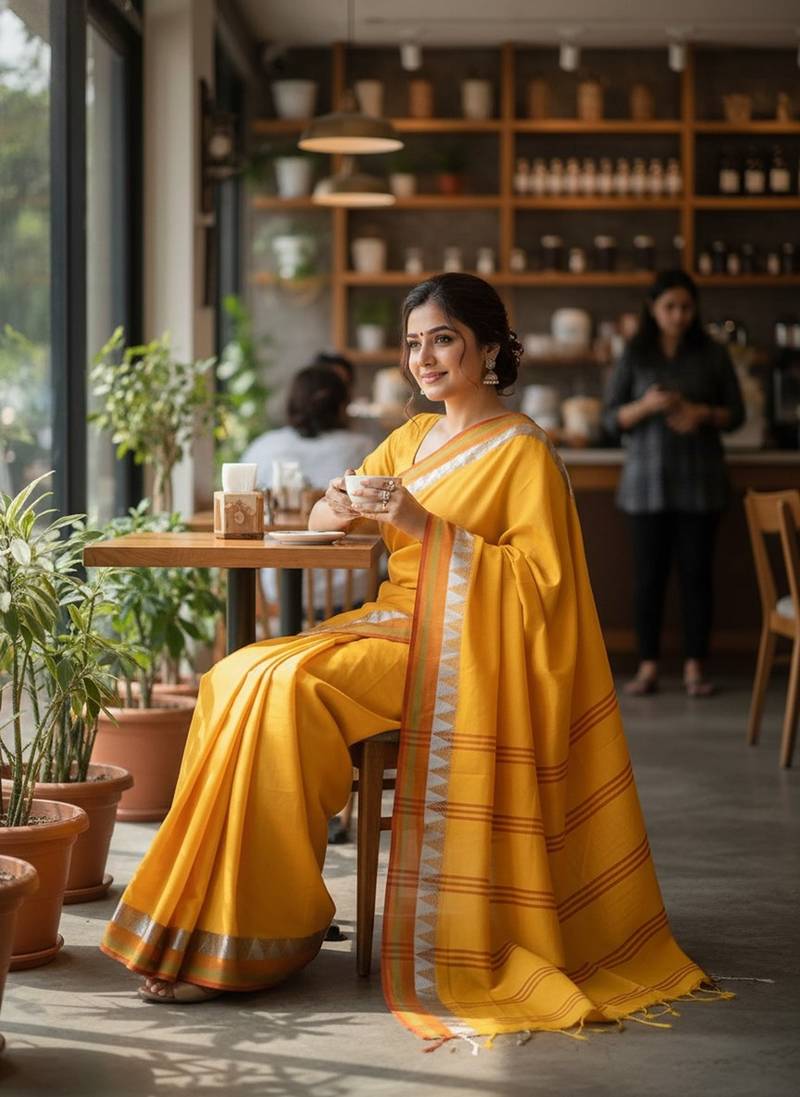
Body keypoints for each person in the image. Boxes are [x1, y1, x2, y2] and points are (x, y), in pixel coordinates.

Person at [102, 274, 726, 1042]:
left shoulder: (525, 450)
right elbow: (337, 512)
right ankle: (209, 924)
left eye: (442, 339)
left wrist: (421, 523)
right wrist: (338, 500)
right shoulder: (409, 438)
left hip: (460, 650)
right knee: (233, 675)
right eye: (412, 343)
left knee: (289, 683)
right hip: (390, 623)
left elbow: (543, 591)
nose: (423, 357)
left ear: (488, 348)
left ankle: (256, 939)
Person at [602, 270, 744, 698]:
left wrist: (701, 413)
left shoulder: (712, 354)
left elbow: (736, 415)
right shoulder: (635, 353)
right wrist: (646, 406)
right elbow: (610, 420)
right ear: (653, 309)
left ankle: (694, 668)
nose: (678, 316)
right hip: (646, 486)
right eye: (670, 307)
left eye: (686, 307)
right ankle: (647, 667)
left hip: (701, 483)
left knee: (697, 578)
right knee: (648, 579)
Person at [241, 364, 374, 615]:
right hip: (349, 588)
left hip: (277, 587)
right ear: (342, 405)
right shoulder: (363, 448)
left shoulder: (265, 447)